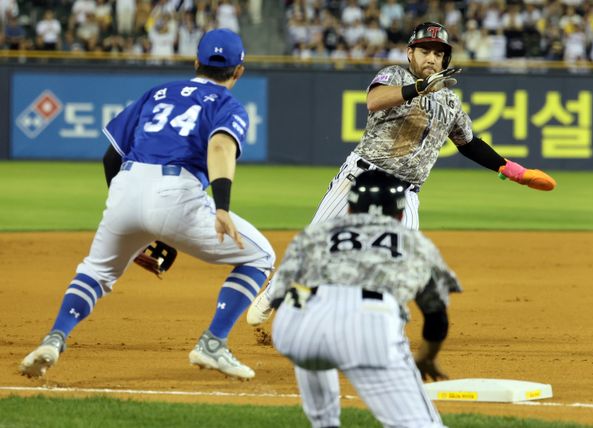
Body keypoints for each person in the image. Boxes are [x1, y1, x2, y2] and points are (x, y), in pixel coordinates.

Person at [247, 21, 555, 325]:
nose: (431, 58)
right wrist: (419, 88)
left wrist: (513, 170)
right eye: (424, 51)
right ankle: (276, 294)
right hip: (360, 178)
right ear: (410, 53)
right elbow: (374, 101)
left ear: (445, 59)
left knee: (401, 260)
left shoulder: (449, 101)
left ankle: (372, 327)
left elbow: (469, 143)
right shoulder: (395, 75)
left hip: (405, 194)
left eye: (438, 53)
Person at [19, 29, 275, 380]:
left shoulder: (158, 93)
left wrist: (132, 220)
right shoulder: (227, 105)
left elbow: (111, 157)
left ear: (196, 62)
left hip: (126, 185)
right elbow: (219, 147)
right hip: (176, 191)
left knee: (96, 272)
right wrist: (221, 207)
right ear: (239, 71)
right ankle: (213, 342)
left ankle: (54, 338)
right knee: (261, 256)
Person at [270, 170, 458, 427]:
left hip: (293, 328)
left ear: (350, 208)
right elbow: (436, 316)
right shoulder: (414, 242)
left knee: (309, 318)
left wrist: (313, 319)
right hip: (368, 327)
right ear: (400, 214)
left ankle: (324, 421)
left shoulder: (314, 234)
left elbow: (279, 297)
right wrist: (426, 357)